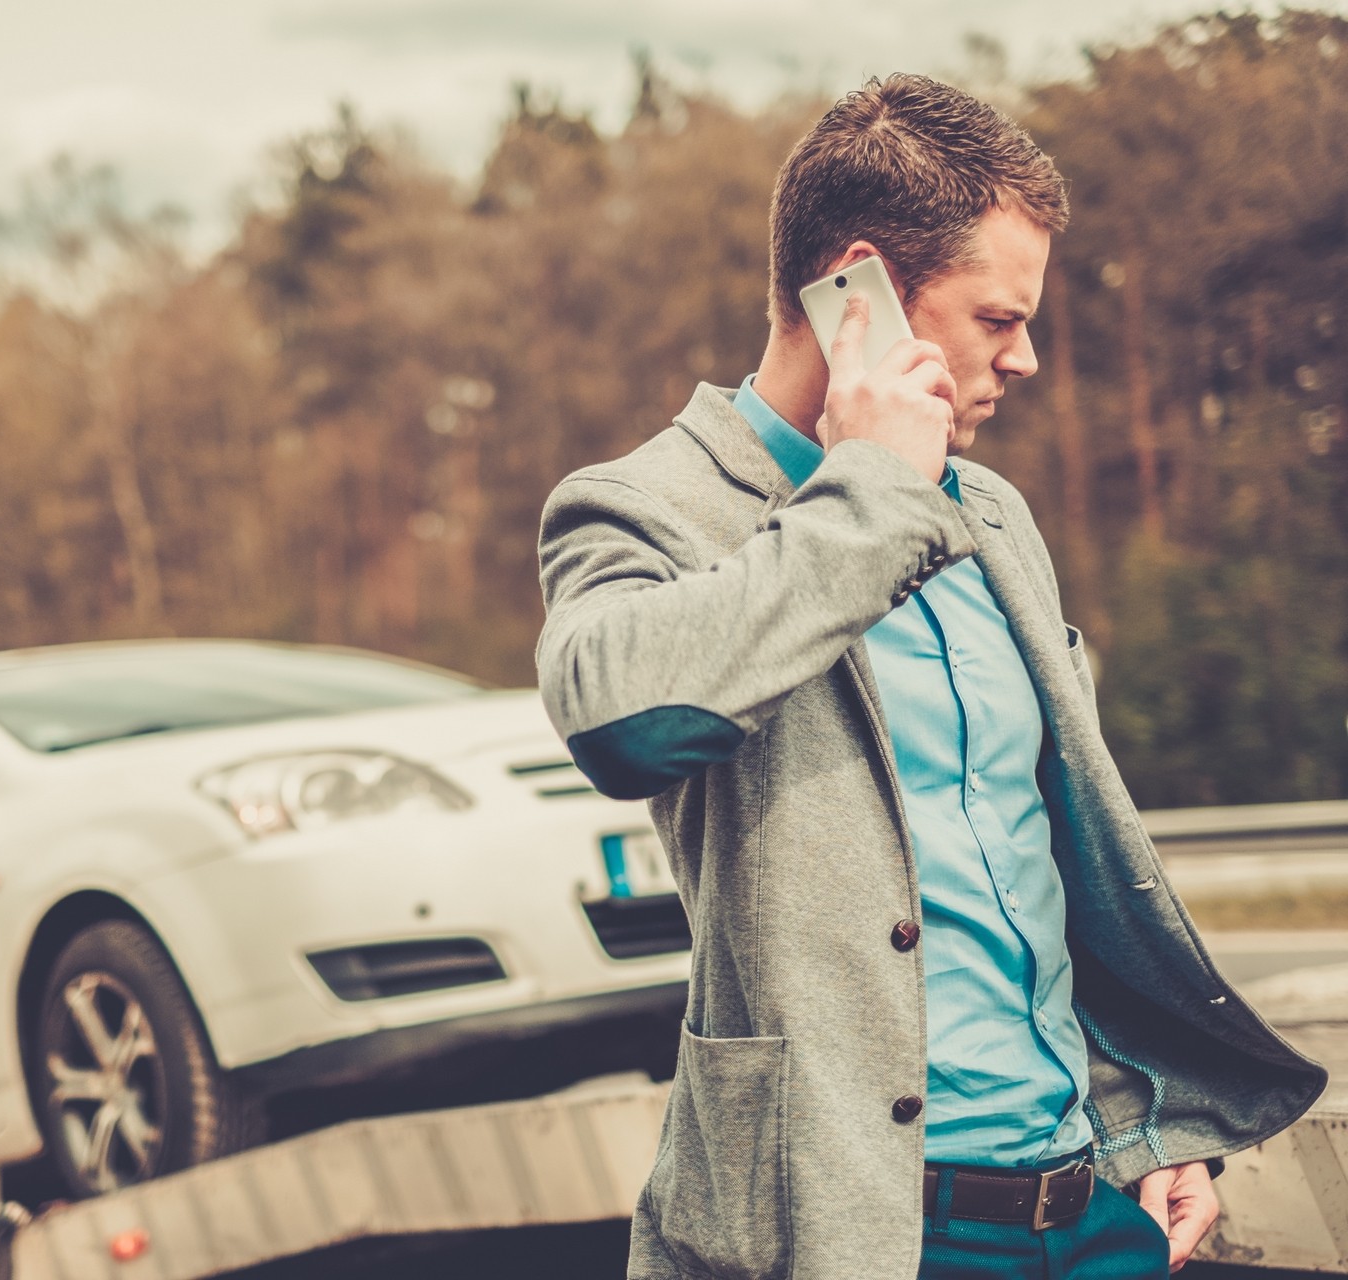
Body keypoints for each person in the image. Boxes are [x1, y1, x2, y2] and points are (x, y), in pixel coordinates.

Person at [534, 74, 1325, 1280]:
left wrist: (1143, 1113)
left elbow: (1035, 865)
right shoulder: (645, 506)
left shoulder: (999, 515)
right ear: (863, 295)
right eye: (998, 319)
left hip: (1093, 1216)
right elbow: (618, 719)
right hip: (855, 1234)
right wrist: (873, 496)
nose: (1030, 357)